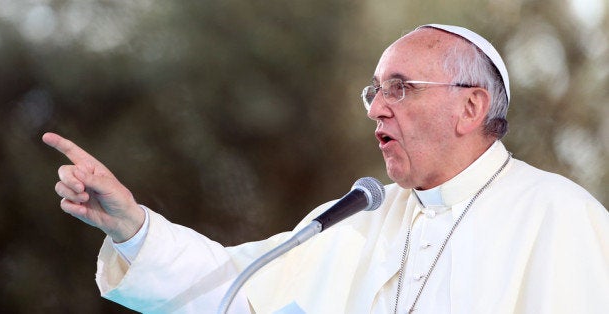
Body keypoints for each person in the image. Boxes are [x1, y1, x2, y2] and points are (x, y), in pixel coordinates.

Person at [44, 24, 609, 314]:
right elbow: (233, 293)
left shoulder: (559, 215)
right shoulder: (358, 216)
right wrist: (132, 229)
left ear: (471, 107)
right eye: (375, 91)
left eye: (402, 89)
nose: (377, 107)